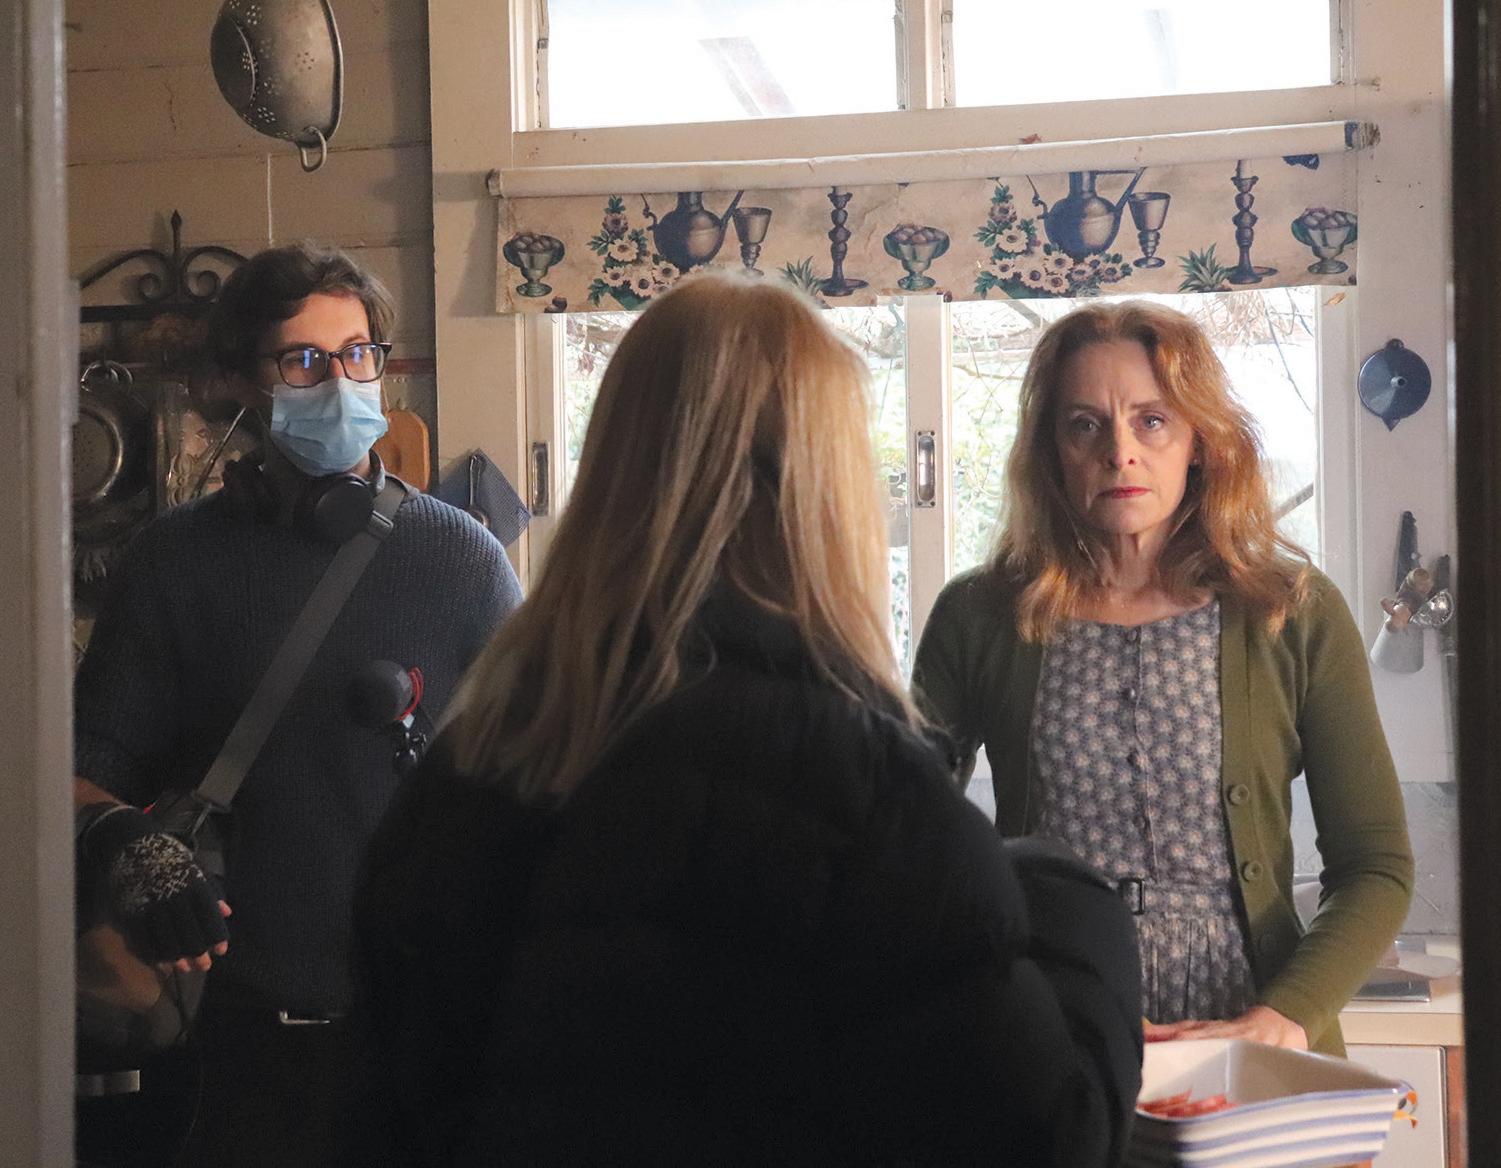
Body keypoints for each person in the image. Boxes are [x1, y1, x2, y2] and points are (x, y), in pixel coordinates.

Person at [354, 271, 1144, 1166]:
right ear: (826, 496)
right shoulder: (873, 805)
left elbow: (386, 1116)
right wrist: (1069, 902)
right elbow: (1046, 1139)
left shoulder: (463, 776)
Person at [72, 242, 523, 1166]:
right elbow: (78, 776)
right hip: (232, 1043)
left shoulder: (464, 560)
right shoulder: (170, 564)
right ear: (244, 380)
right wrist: (127, 846)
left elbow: (537, 782)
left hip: (419, 1032)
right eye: (304, 361)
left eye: (358, 354)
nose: (340, 381)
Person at [912, 300, 1414, 1058]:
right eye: (1084, 425)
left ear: (1199, 442)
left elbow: (1375, 865)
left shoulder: (1289, 613)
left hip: (1254, 1044)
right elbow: (905, 844)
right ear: (1050, 450)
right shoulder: (981, 615)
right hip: (1051, 1036)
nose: (1119, 453)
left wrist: (1284, 1016)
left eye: (1151, 421)